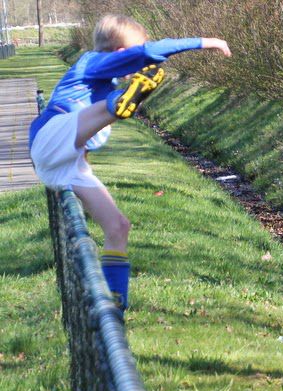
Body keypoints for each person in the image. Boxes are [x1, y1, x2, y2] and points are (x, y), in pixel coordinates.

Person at [29, 14, 231, 312]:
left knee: (119, 226)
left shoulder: (103, 80)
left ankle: (115, 303)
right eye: (132, 57)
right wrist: (207, 42)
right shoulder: (91, 62)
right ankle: (120, 105)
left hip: (66, 165)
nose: (137, 64)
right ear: (122, 54)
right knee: (102, 109)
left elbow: (89, 144)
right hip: (50, 136)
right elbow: (147, 52)